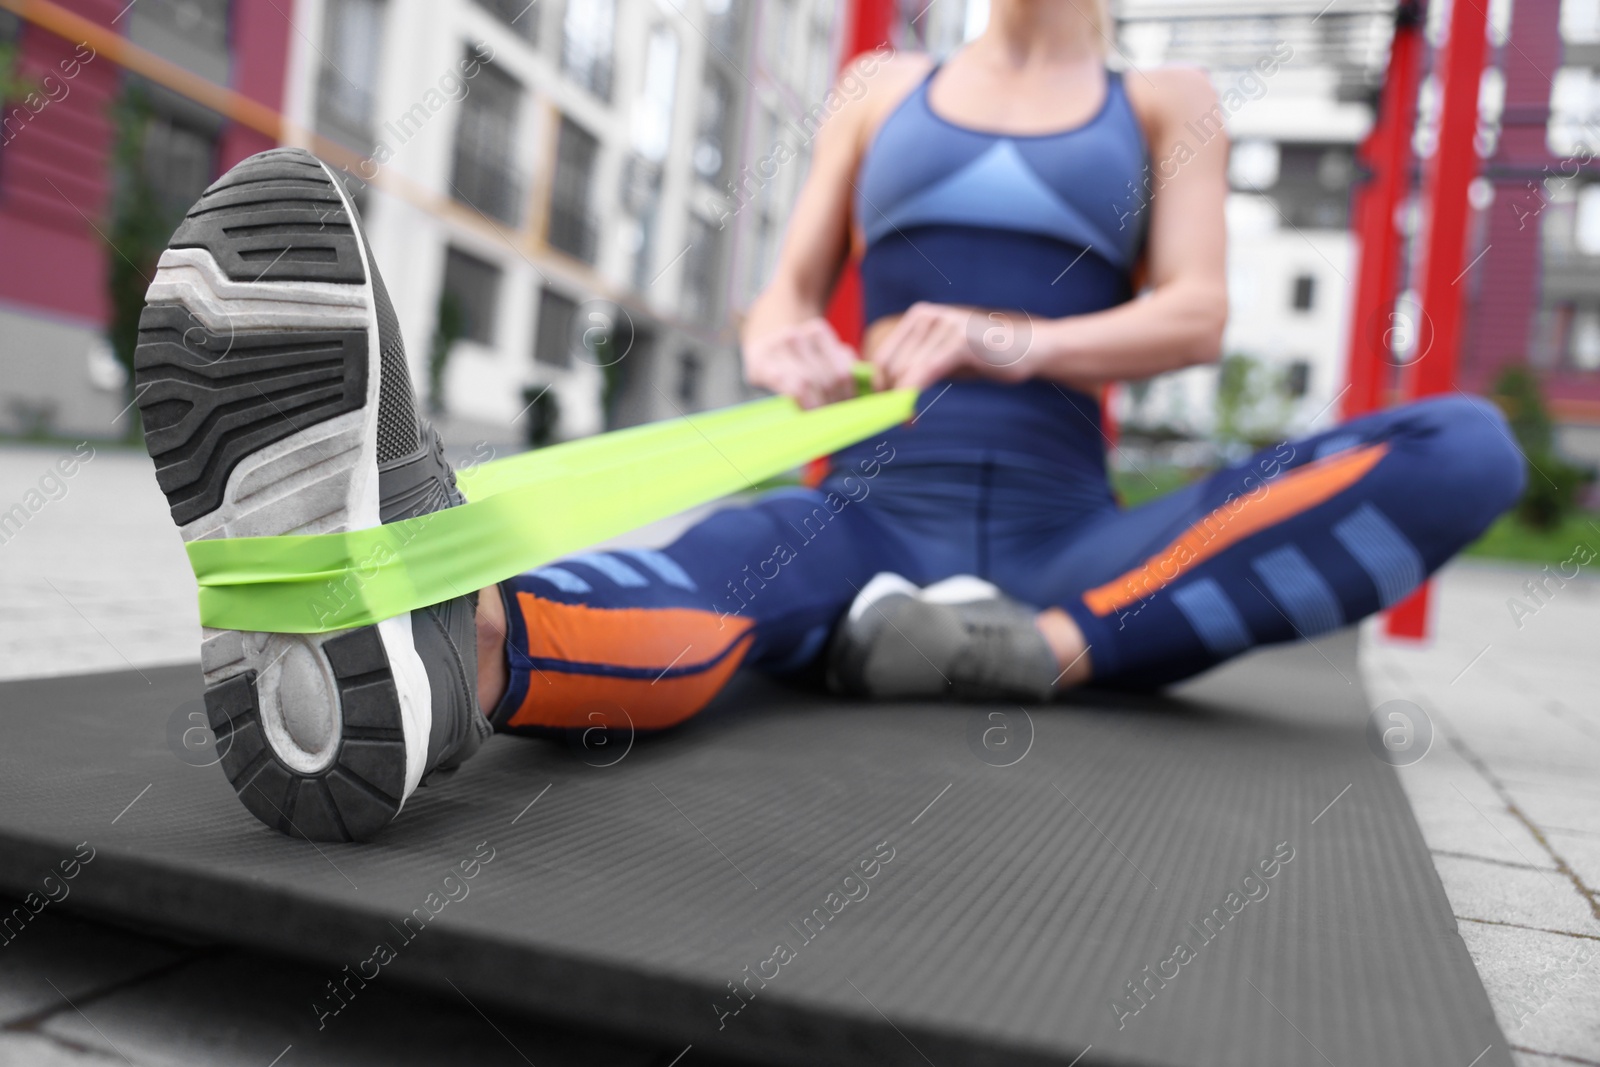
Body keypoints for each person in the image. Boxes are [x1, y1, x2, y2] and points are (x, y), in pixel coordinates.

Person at [135, 0, 1524, 841]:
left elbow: (1199, 315)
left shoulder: (1170, 102)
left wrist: (1012, 337)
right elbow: (778, 302)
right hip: (864, 504)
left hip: (1064, 538)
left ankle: (1029, 651)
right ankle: (450, 649)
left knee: (1465, 447)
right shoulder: (880, 91)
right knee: (717, 572)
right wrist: (786, 340)